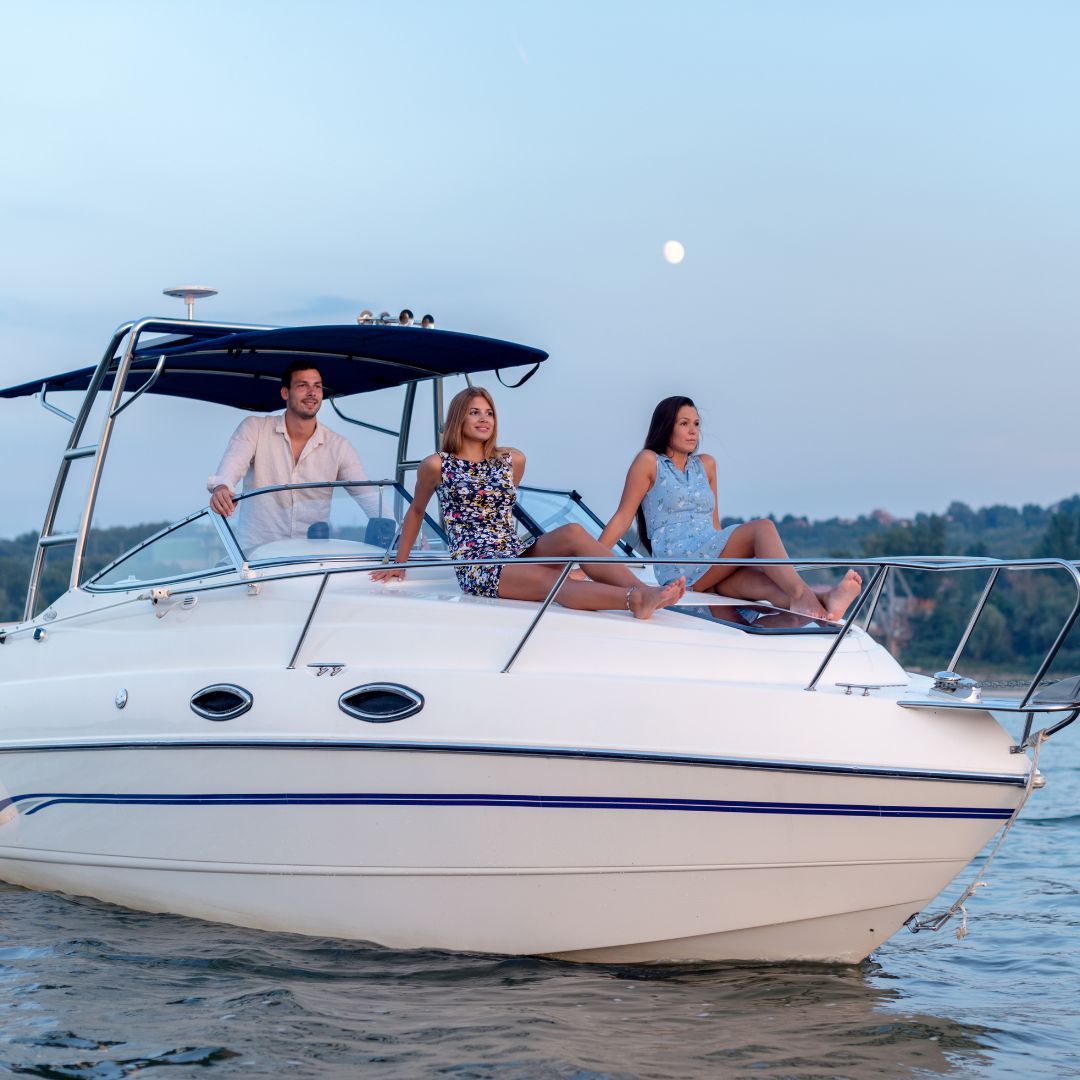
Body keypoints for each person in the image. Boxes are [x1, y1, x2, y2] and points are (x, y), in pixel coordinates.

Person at [371, 387, 686, 619]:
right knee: (554, 581)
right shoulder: (437, 465)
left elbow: (504, 512)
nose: (485, 419)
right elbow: (415, 512)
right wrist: (400, 564)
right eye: (475, 412)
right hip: (478, 563)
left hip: (513, 550)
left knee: (574, 532)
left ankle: (644, 592)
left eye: (490, 412)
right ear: (458, 418)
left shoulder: (512, 460)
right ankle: (634, 600)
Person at [597, 396, 862, 622]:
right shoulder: (649, 462)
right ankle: (804, 598)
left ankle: (826, 598)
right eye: (684, 424)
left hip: (708, 554)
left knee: (760, 581)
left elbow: (714, 526)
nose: (693, 431)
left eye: (697, 425)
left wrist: (729, 565)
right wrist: (588, 564)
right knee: (763, 528)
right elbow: (623, 517)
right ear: (666, 427)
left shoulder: (707, 465)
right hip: (678, 562)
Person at [208, 362, 379, 547]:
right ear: (285, 393)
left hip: (310, 561)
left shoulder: (339, 446)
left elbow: (370, 499)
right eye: (302, 385)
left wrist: (399, 536)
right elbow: (232, 465)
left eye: (317, 386)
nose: (312, 393)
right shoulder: (255, 428)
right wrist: (222, 488)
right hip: (255, 559)